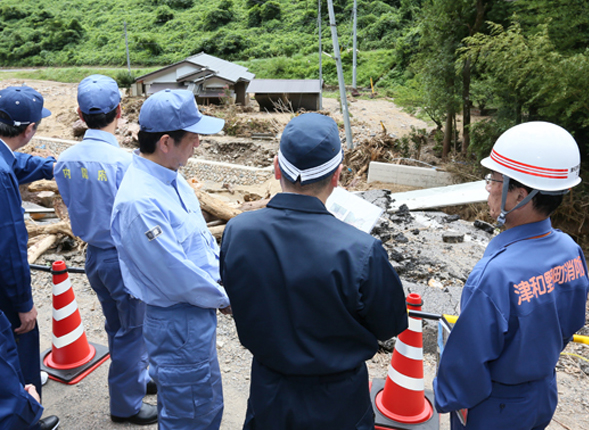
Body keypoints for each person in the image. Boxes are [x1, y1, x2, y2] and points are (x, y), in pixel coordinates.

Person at [220, 112, 408, 430]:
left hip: (269, 395)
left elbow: (237, 296)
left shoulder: (238, 231)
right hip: (339, 403)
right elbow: (389, 324)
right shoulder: (360, 249)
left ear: (277, 167)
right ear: (336, 176)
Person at [434, 121, 589, 429]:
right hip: (542, 394)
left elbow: (468, 360)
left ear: (519, 195)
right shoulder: (570, 251)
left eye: (494, 180)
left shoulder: (496, 274)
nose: (489, 188)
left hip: (496, 407)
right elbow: (571, 323)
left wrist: (446, 398)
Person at [110, 89, 231, 430]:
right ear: (165, 142)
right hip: (178, 318)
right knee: (188, 412)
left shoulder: (171, 177)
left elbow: (198, 241)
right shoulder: (141, 203)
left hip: (194, 311)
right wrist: (226, 299)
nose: (197, 144)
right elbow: (174, 273)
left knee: (204, 400)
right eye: (193, 138)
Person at [54, 75, 157, 425]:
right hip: (124, 258)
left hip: (95, 257)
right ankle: (126, 404)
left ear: (81, 115)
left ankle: (136, 378)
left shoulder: (64, 160)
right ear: (120, 110)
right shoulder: (125, 163)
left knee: (118, 326)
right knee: (133, 331)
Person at [0, 85, 60, 430]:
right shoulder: (2, 177)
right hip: (3, 287)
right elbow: (9, 245)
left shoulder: (4, 160)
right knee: (18, 340)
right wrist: (24, 302)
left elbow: (17, 162)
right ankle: (25, 416)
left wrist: (48, 166)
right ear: (29, 130)